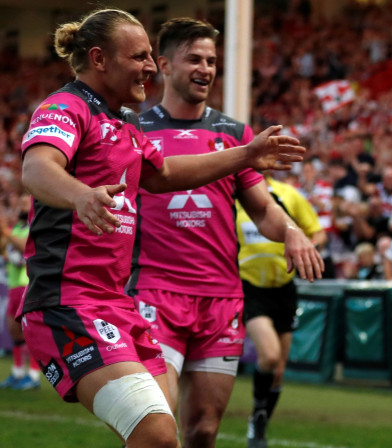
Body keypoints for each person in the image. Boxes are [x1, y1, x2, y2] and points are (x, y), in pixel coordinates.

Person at [18, 9, 305, 448]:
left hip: (117, 305)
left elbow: (165, 174)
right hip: (68, 303)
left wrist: (245, 155)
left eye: (151, 55)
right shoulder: (65, 107)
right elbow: (37, 167)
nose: (150, 66)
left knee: (173, 433)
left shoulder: (127, 122)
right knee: (155, 433)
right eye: (139, 56)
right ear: (99, 59)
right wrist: (79, 194)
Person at [126, 18, 323, 447]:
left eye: (212, 60)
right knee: (155, 425)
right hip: (155, 293)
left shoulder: (235, 135)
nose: (206, 68)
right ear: (164, 64)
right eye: (194, 58)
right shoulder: (136, 132)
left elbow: (264, 210)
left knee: (203, 430)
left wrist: (290, 230)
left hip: (221, 300)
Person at [234, 175, 326, 448]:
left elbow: (316, 231)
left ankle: (259, 421)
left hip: (284, 287)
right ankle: (258, 416)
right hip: (249, 286)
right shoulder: (238, 196)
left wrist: (309, 250)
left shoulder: (290, 194)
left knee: (278, 369)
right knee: (270, 355)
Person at [0, 190, 40, 390]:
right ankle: (17, 373)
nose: (21, 208)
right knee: (14, 331)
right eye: (20, 204)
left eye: (25, 204)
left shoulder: (35, 227)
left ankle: (33, 377)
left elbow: (25, 247)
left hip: (28, 283)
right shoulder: (16, 228)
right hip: (14, 283)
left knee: (28, 332)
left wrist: (5, 232)